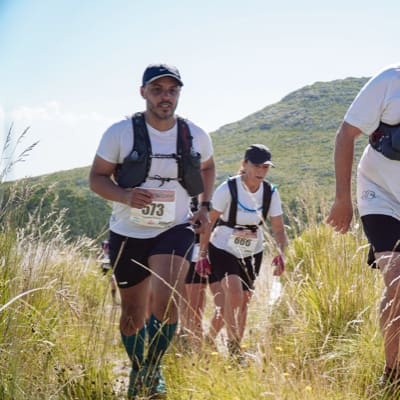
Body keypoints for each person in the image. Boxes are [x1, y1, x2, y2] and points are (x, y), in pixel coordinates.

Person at [89, 63, 215, 399]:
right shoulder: (120, 132)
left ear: (178, 94)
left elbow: (208, 165)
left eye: (172, 91)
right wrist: (126, 196)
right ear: (143, 92)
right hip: (128, 231)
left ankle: (153, 369)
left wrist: (204, 207)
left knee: (168, 300)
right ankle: (137, 368)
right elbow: (97, 178)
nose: (165, 97)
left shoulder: (195, 134)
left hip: (174, 228)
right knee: (132, 313)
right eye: (157, 90)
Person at [326, 64, 400, 389]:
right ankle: (392, 373)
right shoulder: (389, 82)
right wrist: (343, 199)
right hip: (378, 193)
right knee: (397, 280)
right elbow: (346, 134)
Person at [199, 144, 287, 360]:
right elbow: (209, 222)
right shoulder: (228, 188)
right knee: (235, 292)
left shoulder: (270, 193)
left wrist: (281, 253)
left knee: (245, 299)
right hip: (223, 246)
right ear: (244, 165)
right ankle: (234, 348)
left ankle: (222, 341)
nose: (261, 171)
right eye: (256, 165)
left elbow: (278, 228)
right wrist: (202, 254)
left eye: (265, 167)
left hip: (252, 250)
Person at [178, 197, 224, 351]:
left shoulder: (219, 197)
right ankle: (197, 348)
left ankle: (209, 341)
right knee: (194, 306)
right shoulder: (183, 196)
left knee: (225, 304)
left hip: (216, 254)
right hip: (191, 254)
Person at [99, 239, 118, 305]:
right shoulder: (100, 254)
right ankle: (103, 300)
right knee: (104, 284)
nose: (106, 249)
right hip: (104, 270)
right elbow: (98, 262)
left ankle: (114, 300)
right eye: (104, 248)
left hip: (110, 270)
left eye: (107, 248)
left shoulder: (111, 255)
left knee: (113, 283)